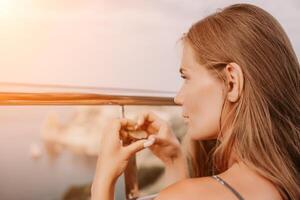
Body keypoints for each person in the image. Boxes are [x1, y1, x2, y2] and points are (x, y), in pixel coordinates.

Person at [91, 3, 300, 200]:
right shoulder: (286, 181)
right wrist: (174, 161)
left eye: (186, 77)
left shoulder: (186, 195)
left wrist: (102, 181)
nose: (178, 97)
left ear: (231, 82)